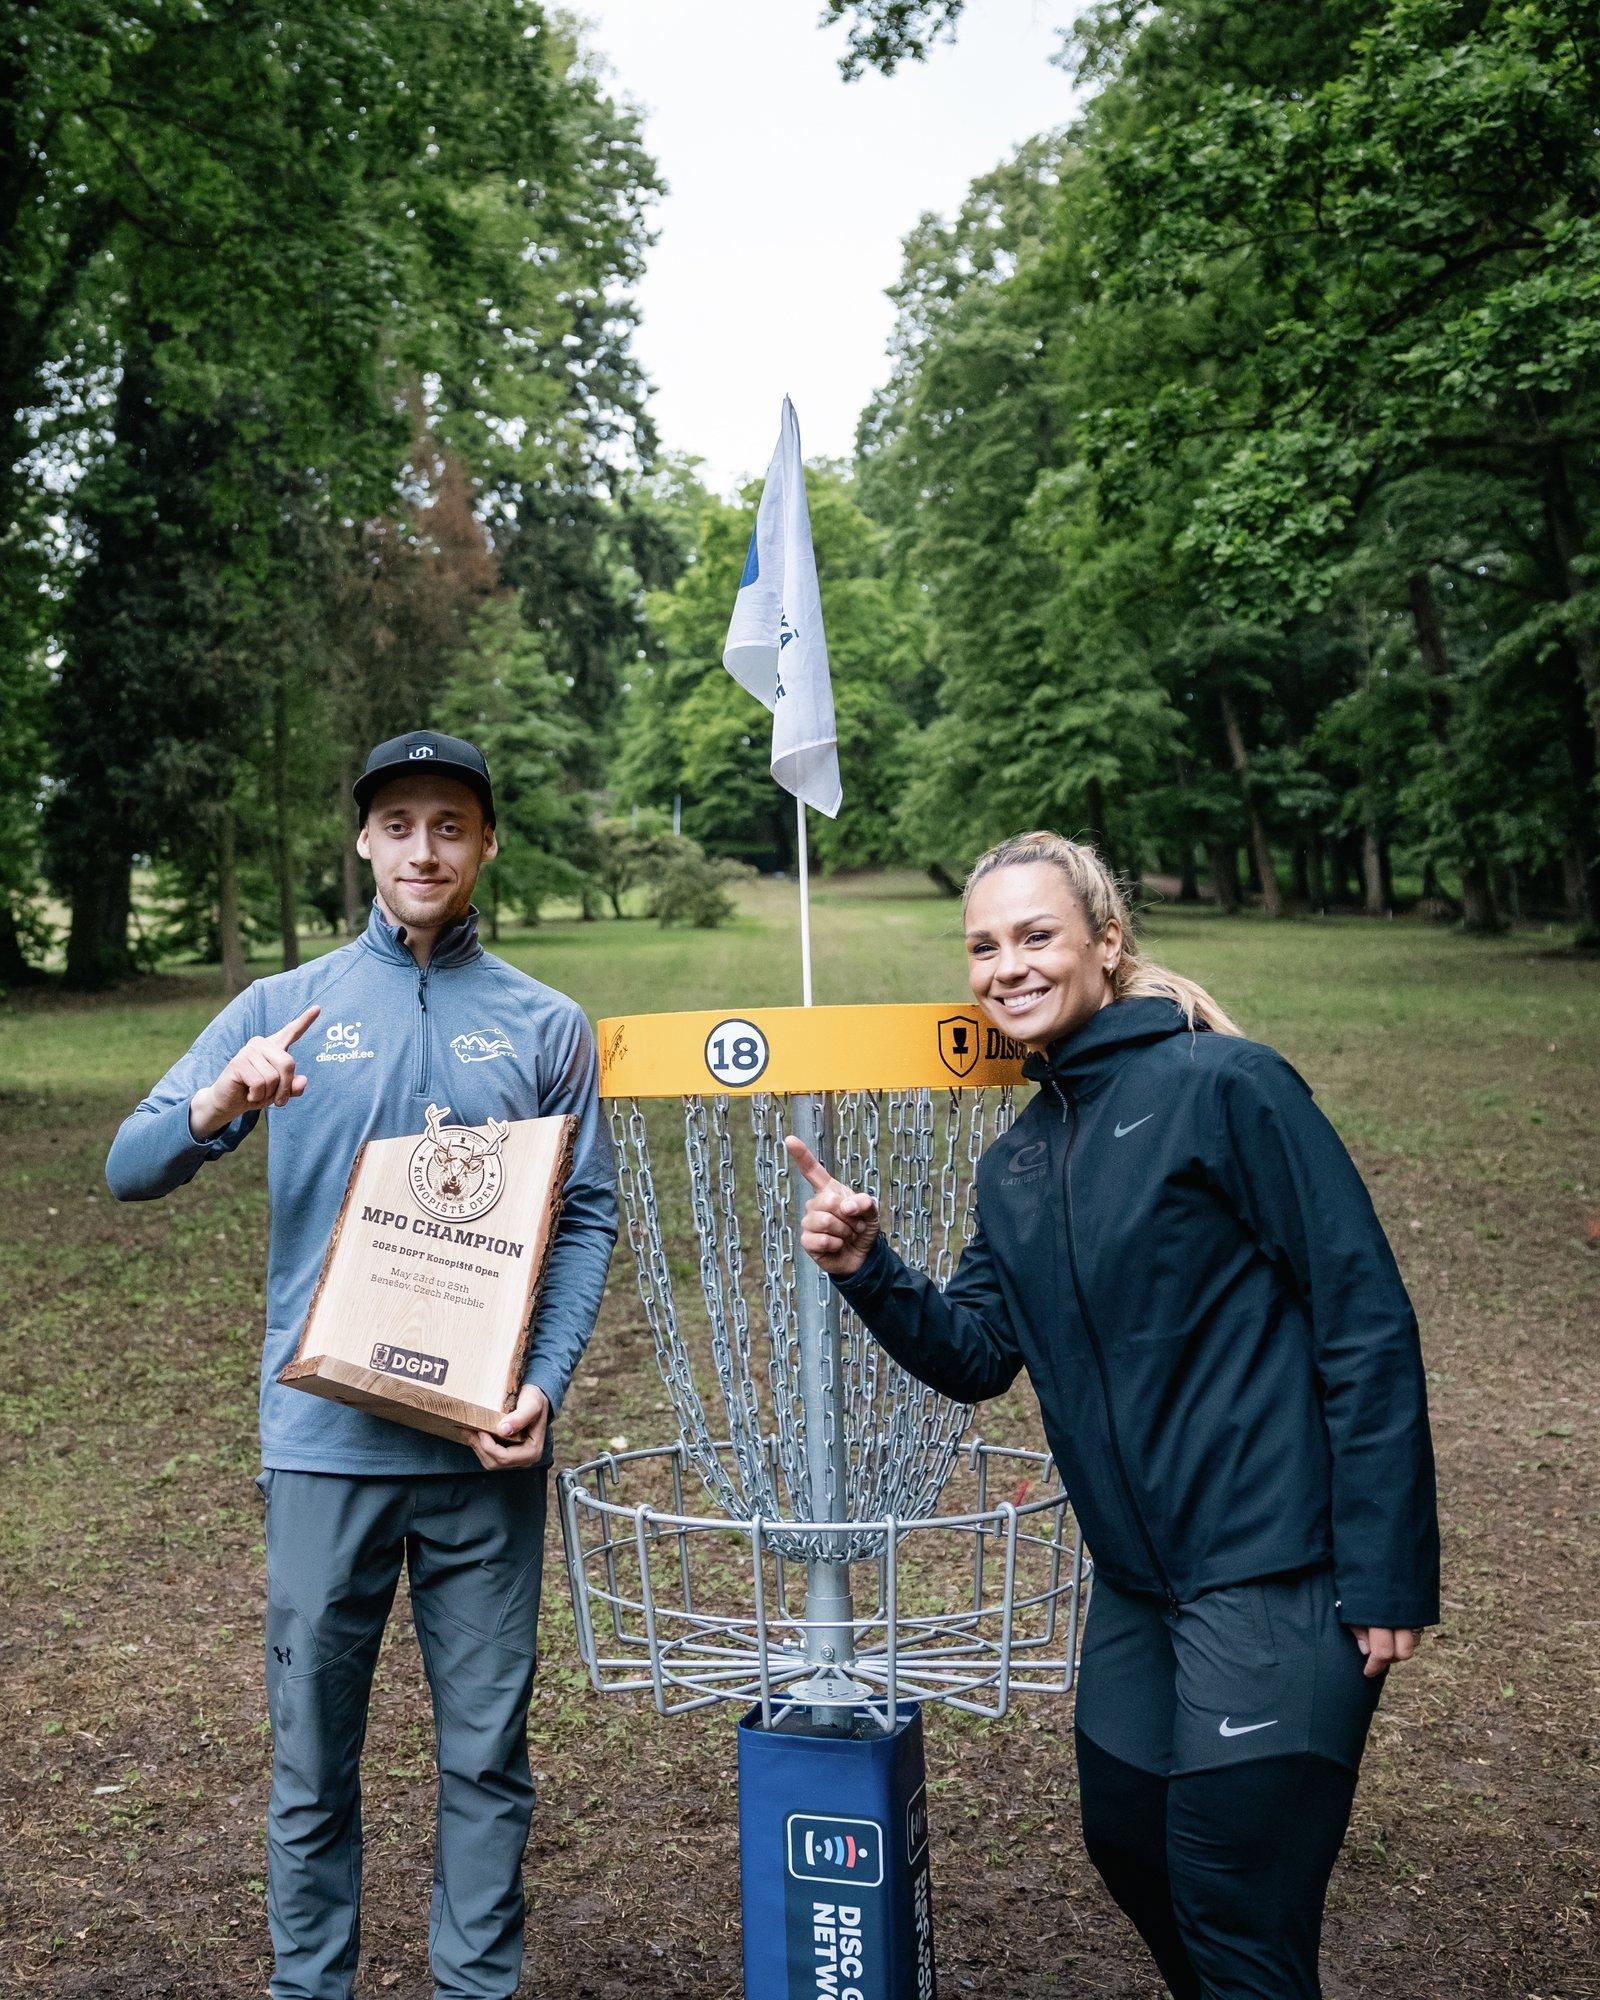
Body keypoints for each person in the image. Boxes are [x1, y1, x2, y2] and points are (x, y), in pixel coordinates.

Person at [786, 830, 1439, 2000]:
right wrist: (866, 1268)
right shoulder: (1019, 1161)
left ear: (1106, 941)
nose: (1007, 966)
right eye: (984, 945)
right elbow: (977, 1355)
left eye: (1036, 935)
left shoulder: (1226, 1086)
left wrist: (1387, 1567)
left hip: (1276, 1569)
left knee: (1232, 1892)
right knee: (1129, 1836)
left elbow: (1364, 1317)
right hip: (1138, 1585)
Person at [106, 730, 617, 2000]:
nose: (423, 849)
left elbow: (584, 1217)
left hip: (480, 1454)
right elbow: (127, 1165)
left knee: (487, 1759)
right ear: (364, 841)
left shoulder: (547, 1023)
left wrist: (543, 1383)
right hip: (323, 1450)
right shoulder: (283, 1007)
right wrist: (219, 1103)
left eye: (449, 824)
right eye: (399, 825)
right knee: (310, 1765)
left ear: (486, 841)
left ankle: (475, 1988)